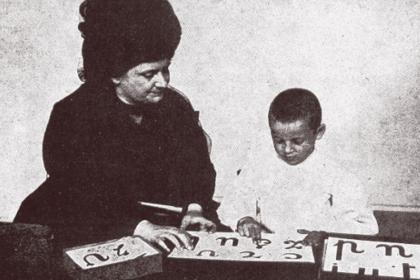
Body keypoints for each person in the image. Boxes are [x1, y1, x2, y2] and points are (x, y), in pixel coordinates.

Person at [14, 0, 217, 251]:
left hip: (159, 222)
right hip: (80, 224)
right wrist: (141, 228)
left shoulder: (175, 106)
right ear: (114, 74)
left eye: (166, 70)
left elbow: (195, 166)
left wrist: (194, 209)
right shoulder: (71, 115)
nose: (163, 82)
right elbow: (77, 194)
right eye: (149, 74)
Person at [217, 88, 378, 246]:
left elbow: (365, 227)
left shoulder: (337, 177)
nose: (287, 149)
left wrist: (327, 235)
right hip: (266, 251)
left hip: (315, 256)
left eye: (297, 141)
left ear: (319, 132)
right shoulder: (259, 168)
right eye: (279, 141)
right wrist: (244, 219)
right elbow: (233, 202)